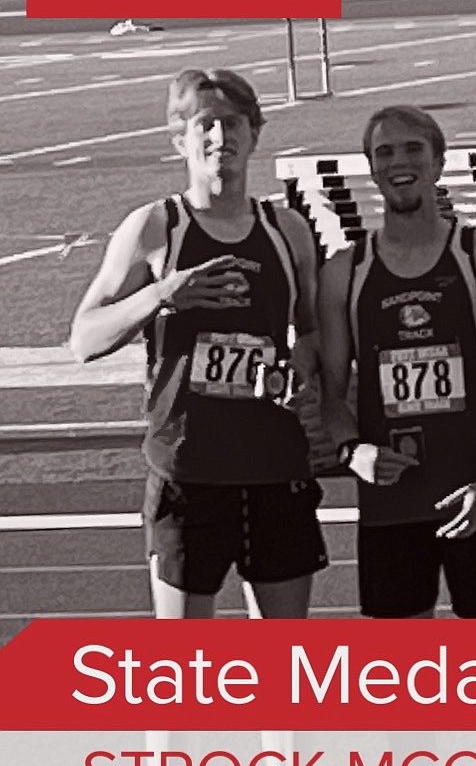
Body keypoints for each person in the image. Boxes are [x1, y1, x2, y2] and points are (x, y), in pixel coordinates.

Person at [70, 67, 328, 622]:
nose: (220, 138)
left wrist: (308, 380)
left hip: (275, 469)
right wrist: (163, 294)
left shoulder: (289, 232)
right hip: (188, 474)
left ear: (255, 134)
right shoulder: (155, 228)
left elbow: (309, 335)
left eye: (233, 124)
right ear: (180, 140)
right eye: (206, 125)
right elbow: (83, 339)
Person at [318, 105, 476, 621]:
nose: (398, 161)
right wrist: (352, 453)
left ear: (438, 162)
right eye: (384, 152)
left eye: (413, 148)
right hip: (390, 511)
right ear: (371, 167)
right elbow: (330, 391)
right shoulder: (345, 272)